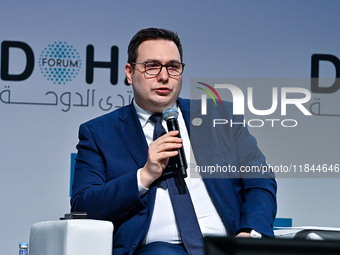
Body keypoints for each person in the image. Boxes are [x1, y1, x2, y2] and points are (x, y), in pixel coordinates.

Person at [71, 28, 277, 255]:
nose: (164, 76)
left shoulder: (220, 116)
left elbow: (260, 180)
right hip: (157, 250)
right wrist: (144, 175)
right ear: (129, 72)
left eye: (173, 67)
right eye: (151, 66)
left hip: (226, 246)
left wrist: (250, 233)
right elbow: (84, 206)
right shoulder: (99, 133)